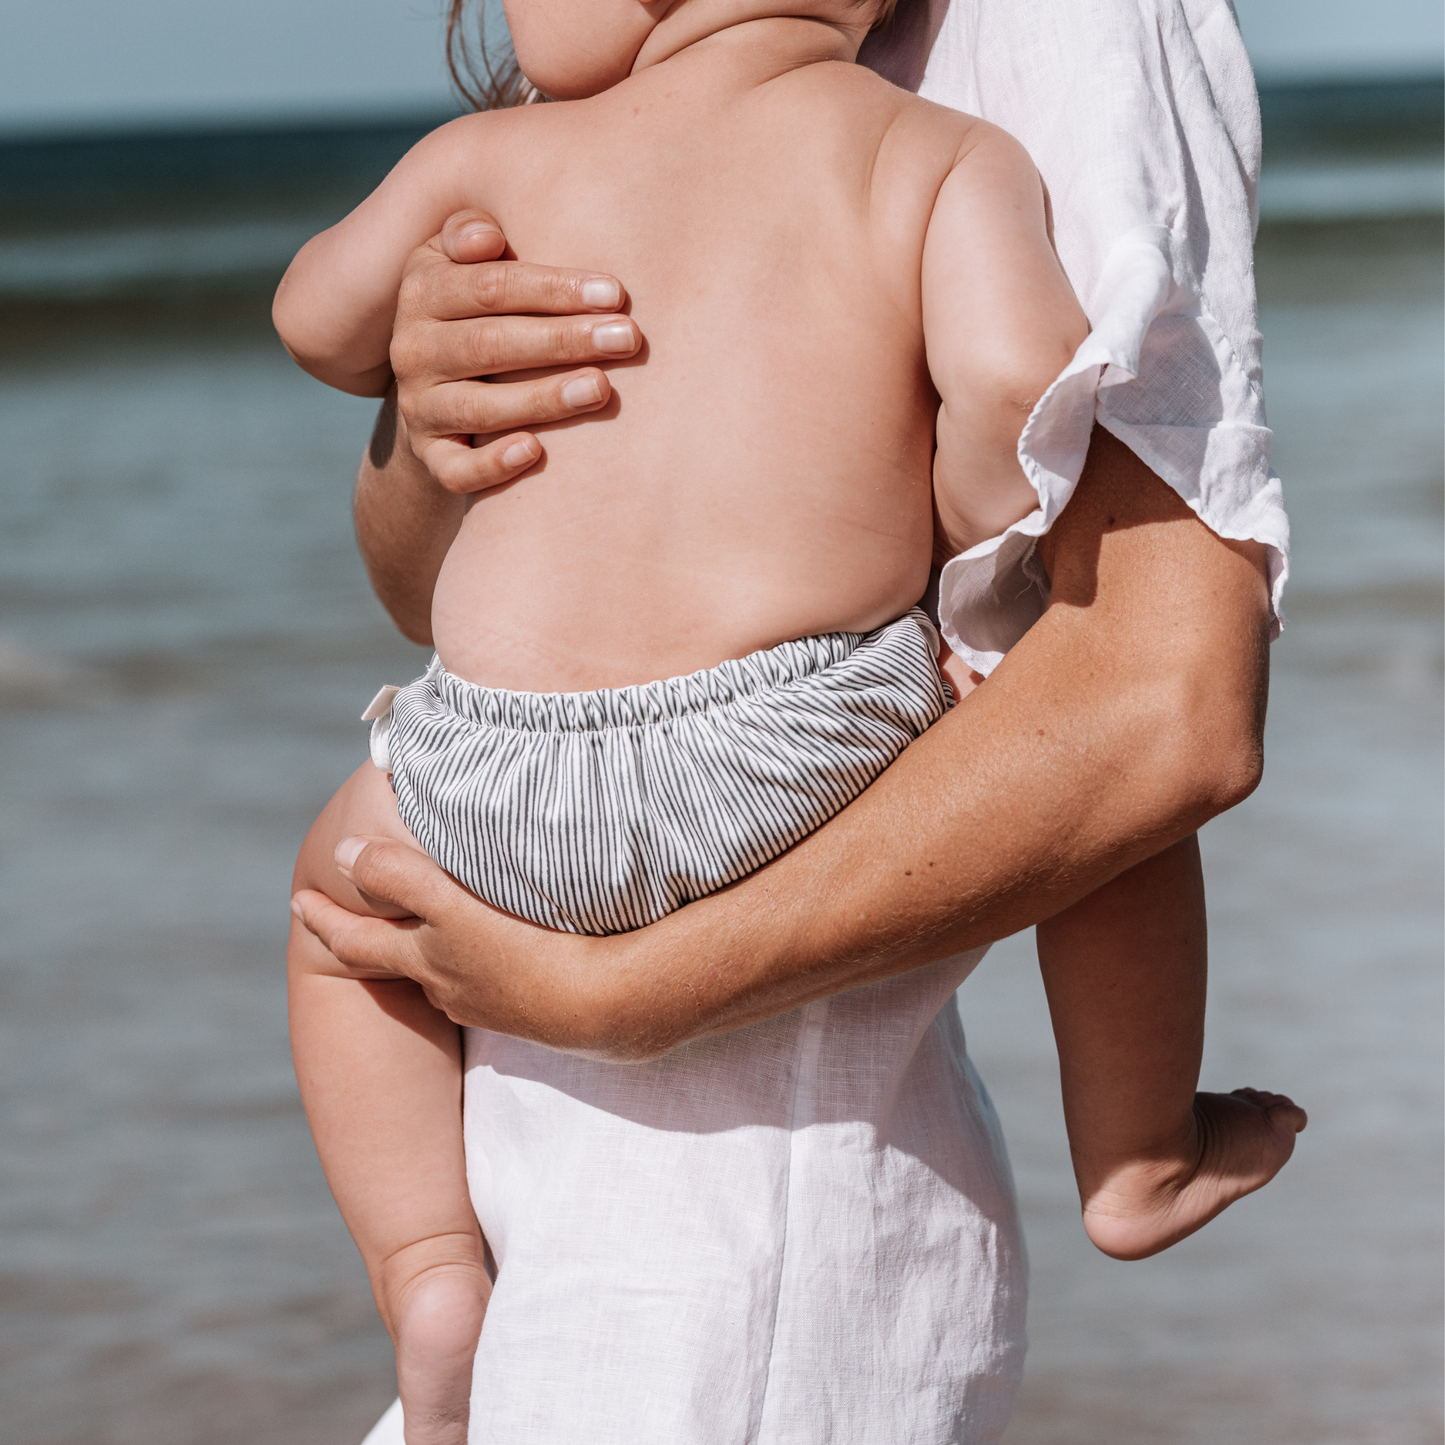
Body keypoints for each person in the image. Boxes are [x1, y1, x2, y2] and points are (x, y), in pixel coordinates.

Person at [278, 0, 1305, 1441]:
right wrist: (442, 407)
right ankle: (1138, 1154)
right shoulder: (932, 157)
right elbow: (1024, 391)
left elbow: (1158, 704)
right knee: (1018, 672)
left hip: (725, 1262)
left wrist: (392, 328)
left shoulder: (496, 158)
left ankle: (424, 1262)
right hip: (779, 760)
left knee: (340, 897)